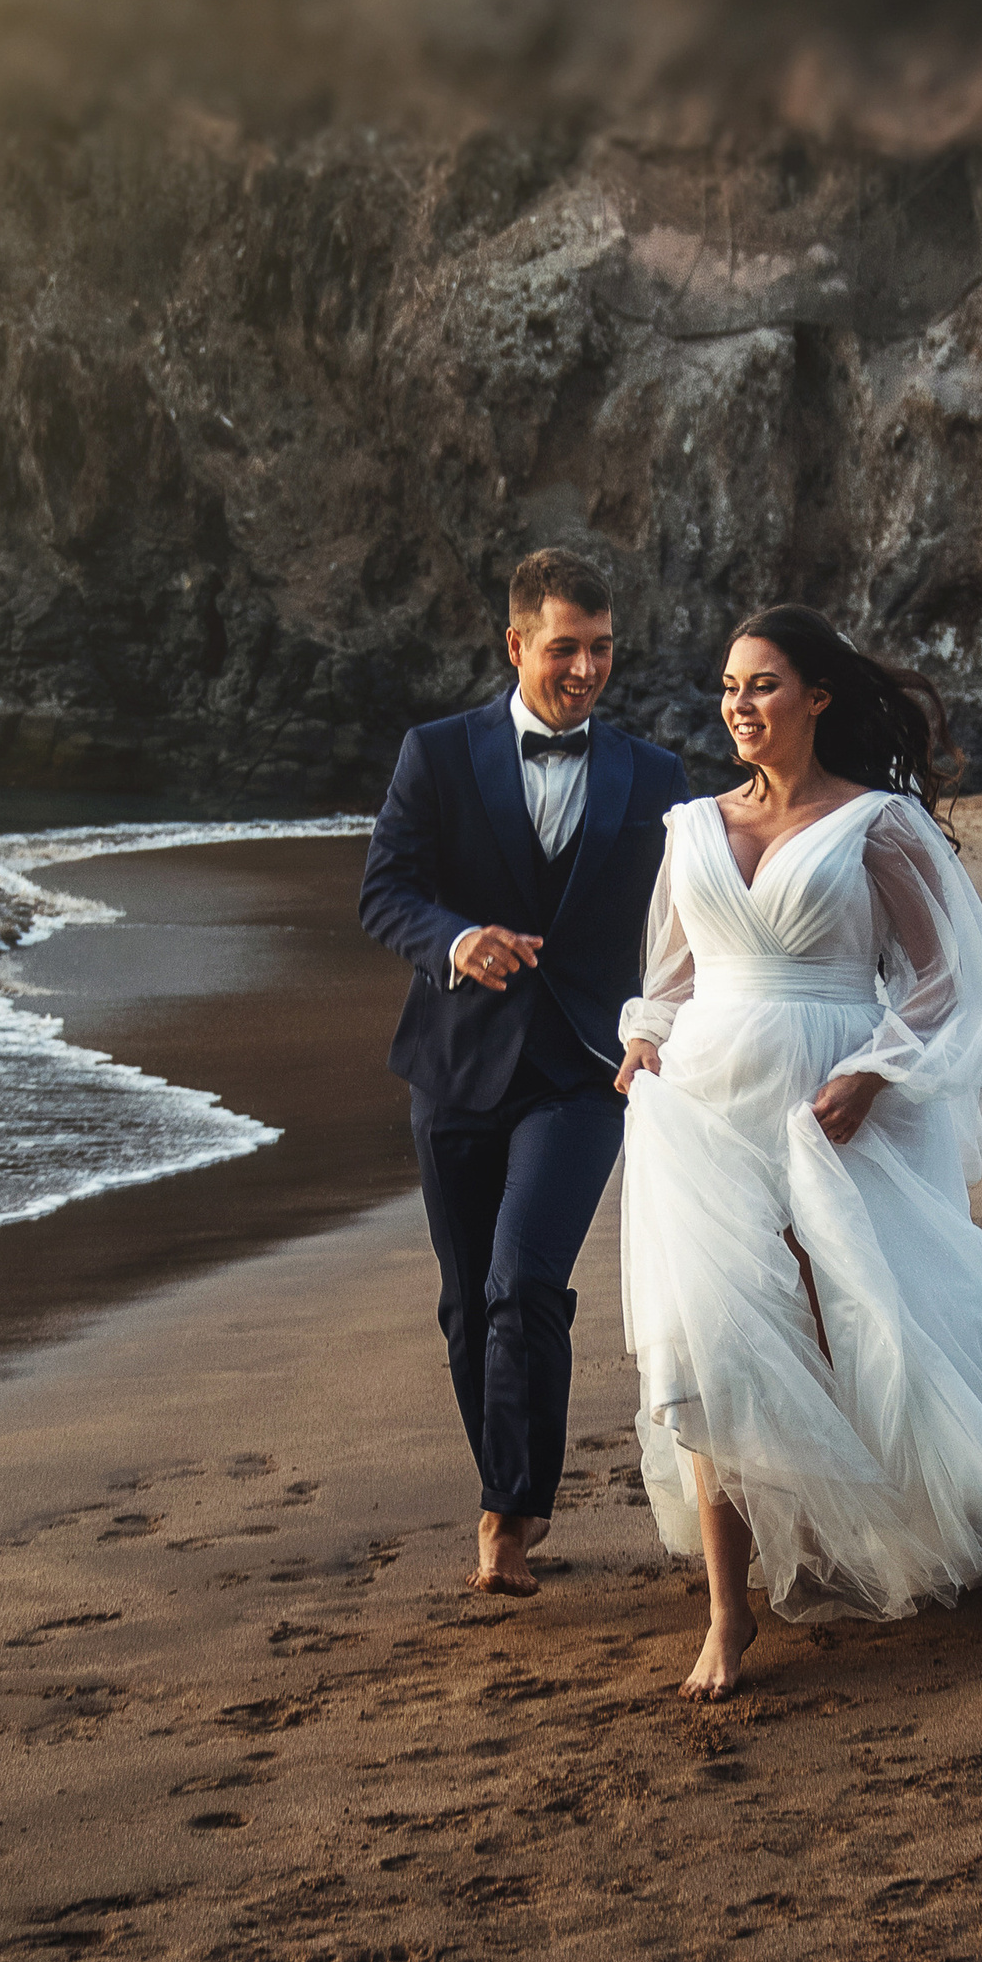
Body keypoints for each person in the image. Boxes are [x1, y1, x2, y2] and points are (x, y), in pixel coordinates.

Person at [613, 603, 982, 1699]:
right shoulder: (689, 830)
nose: (739, 706)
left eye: (762, 685)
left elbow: (944, 980)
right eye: (728, 688)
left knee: (864, 1315)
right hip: (699, 1108)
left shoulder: (879, 824)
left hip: (827, 1097)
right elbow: (669, 983)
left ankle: (961, 1503)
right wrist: (637, 1045)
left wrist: (870, 1078)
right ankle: (730, 1614)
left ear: (816, 698)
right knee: (707, 1338)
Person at [360, 549, 694, 1596]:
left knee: (523, 1285)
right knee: (467, 1305)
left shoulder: (655, 776)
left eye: (601, 649)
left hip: (587, 1069)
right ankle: (507, 1481)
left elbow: (682, 928)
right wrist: (454, 940)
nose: (586, 669)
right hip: (454, 1064)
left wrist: (661, 1028)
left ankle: (510, 1511)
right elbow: (386, 893)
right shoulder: (437, 755)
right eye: (565, 649)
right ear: (516, 646)